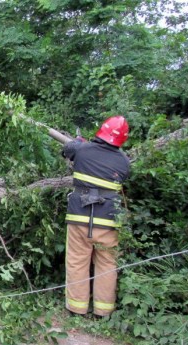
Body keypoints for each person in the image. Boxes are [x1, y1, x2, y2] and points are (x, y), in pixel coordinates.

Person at [61, 115, 130, 317]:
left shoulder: (81, 149)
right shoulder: (124, 162)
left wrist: (79, 143)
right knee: (107, 265)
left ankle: (76, 309)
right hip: (109, 221)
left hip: (80, 218)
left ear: (102, 130)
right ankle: (103, 312)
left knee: (77, 261)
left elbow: (67, 151)